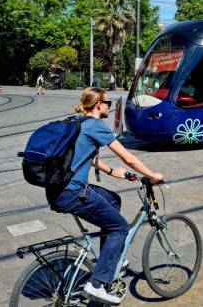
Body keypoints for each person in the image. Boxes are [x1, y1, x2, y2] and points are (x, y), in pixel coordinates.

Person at [47, 87, 164, 304]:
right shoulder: (95, 125)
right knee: (120, 227)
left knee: (113, 200)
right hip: (72, 193)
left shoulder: (76, 122)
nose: (109, 107)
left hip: (57, 190)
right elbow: (128, 157)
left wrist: (112, 172)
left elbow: (88, 157)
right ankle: (97, 284)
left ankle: (107, 259)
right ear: (98, 104)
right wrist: (152, 174)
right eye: (108, 103)